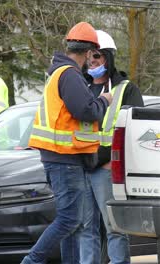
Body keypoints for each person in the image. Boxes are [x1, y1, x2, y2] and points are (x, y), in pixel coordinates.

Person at [21, 22, 113, 264]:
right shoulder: (69, 74)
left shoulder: (60, 73)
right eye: (94, 55)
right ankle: (32, 261)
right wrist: (103, 101)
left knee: (73, 222)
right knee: (69, 220)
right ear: (89, 52)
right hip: (64, 158)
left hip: (65, 158)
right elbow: (85, 110)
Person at [80, 30, 144, 264]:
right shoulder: (81, 87)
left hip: (106, 170)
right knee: (86, 229)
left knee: (114, 228)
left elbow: (135, 132)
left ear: (108, 57)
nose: (92, 61)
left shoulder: (126, 89)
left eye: (96, 55)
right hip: (82, 167)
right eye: (88, 56)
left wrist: (112, 162)